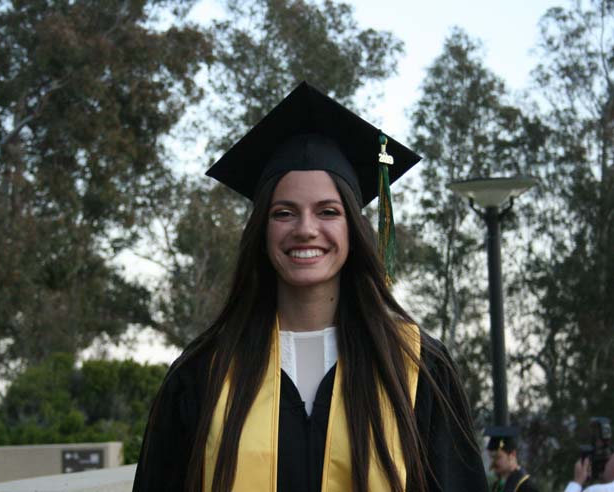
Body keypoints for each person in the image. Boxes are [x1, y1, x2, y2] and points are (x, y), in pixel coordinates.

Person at [132, 81, 488, 492]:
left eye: (327, 212)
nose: (305, 230)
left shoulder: (414, 365)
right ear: (262, 230)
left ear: (352, 229)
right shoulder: (205, 370)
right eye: (284, 212)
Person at [485, 426, 540, 492]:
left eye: (497, 457)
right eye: (491, 457)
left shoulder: (526, 486)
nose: (493, 462)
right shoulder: (496, 486)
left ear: (512, 455)